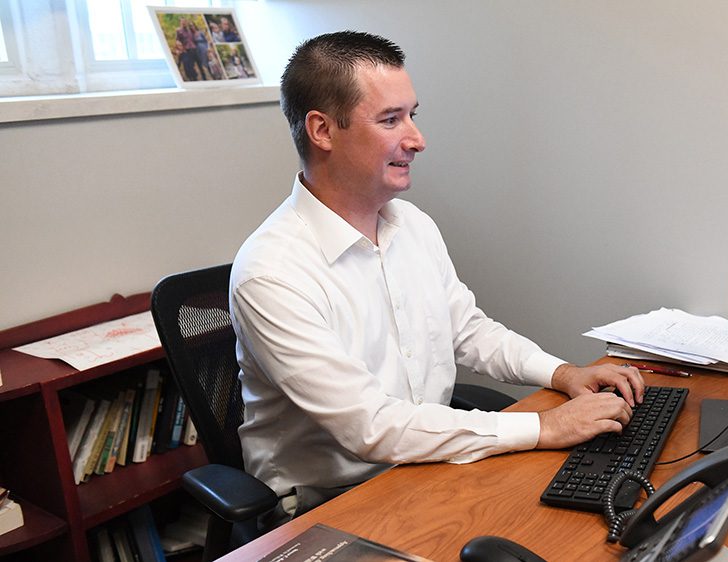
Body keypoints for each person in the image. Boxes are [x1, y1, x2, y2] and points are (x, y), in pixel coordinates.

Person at [230, 31, 644, 526]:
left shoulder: (411, 225)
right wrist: (542, 427)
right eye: (390, 120)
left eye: (412, 115)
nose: (417, 139)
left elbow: (468, 330)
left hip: (425, 467)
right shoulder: (271, 273)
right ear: (322, 131)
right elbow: (373, 428)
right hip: (328, 505)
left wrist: (564, 374)